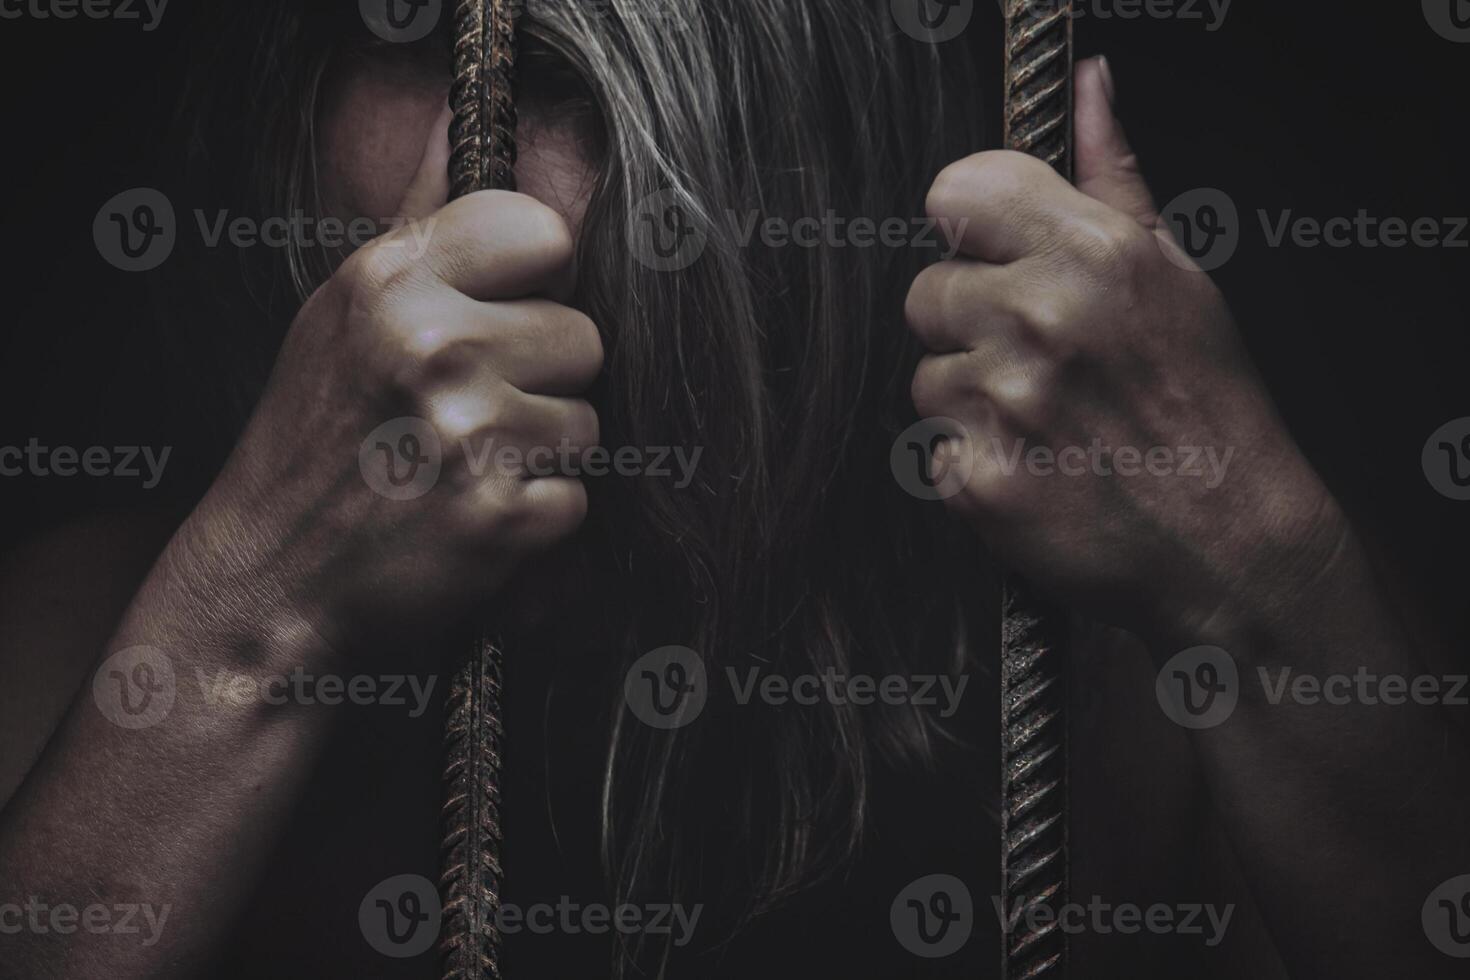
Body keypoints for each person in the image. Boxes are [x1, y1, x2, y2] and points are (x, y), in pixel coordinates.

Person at [1, 3, 1465, 978]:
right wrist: (253, 619)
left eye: (568, 82)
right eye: (421, 30)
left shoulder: (1128, 681)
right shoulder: (100, 623)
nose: (497, 193)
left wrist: (1258, 575)